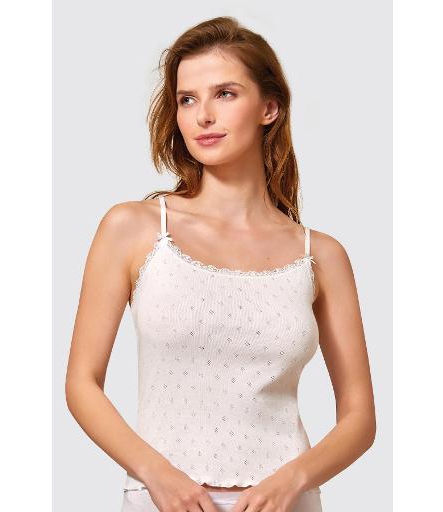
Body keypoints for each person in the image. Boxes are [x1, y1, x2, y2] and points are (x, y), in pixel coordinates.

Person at [65, 16, 376, 512]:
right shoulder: (134, 228)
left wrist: (292, 480)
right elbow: (82, 383)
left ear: (269, 108)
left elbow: (359, 418)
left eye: (225, 94)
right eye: (187, 99)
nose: (203, 116)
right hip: (162, 502)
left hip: (286, 504)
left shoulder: (320, 255)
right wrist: (157, 476)